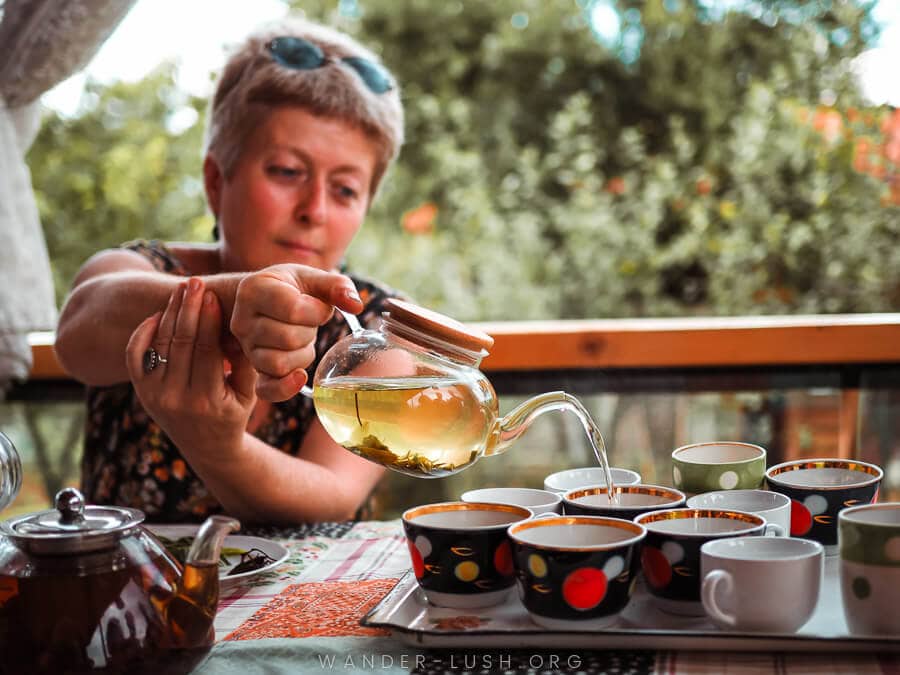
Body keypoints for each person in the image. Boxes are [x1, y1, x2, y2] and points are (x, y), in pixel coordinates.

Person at [54, 17, 405, 524]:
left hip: (308, 604)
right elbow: (79, 328)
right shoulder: (142, 269)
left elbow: (332, 495)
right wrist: (235, 300)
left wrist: (218, 447)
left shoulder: (378, 330)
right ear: (217, 181)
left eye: (345, 189)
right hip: (123, 601)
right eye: (287, 171)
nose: (316, 209)